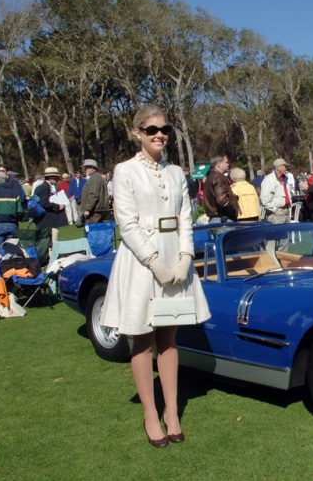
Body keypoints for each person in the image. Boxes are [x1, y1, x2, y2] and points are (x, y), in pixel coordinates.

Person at [100, 103, 210, 448]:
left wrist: (183, 257)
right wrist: (155, 263)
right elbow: (127, 224)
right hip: (140, 262)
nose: (159, 134)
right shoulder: (125, 171)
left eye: (164, 129)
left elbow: (185, 218)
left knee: (169, 338)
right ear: (137, 133)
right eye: (152, 130)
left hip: (175, 259)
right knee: (143, 339)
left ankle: (172, 411)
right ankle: (151, 413)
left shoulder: (177, 172)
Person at [34, 167, 68, 245]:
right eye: (56, 177)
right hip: (48, 221)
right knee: (53, 241)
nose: (57, 179)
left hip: (45, 220)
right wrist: (57, 206)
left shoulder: (43, 186)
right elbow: (44, 203)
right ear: (51, 177)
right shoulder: (45, 187)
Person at [202, 155, 239, 223]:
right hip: (223, 220)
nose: (228, 164)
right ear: (219, 164)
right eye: (226, 162)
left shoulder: (210, 177)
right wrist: (234, 203)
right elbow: (223, 201)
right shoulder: (218, 178)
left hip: (216, 219)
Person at [80, 159, 109, 224]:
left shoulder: (95, 178)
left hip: (94, 211)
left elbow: (94, 194)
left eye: (86, 168)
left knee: (93, 232)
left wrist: (88, 209)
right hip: (97, 210)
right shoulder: (97, 177)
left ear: (92, 168)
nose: (85, 169)